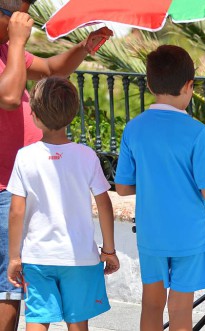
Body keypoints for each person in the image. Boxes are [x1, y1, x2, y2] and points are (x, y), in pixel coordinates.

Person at [0, 1, 113, 329]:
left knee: (19, 289)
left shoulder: (9, 49)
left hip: (22, 185)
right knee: (8, 289)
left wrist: (83, 47)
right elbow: (8, 98)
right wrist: (19, 41)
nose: (22, 19)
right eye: (14, 13)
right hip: (5, 189)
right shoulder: (12, 46)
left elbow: (51, 71)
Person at [114, 45, 205, 331]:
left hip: (151, 231)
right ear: (190, 86)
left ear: (149, 84)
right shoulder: (197, 132)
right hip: (188, 235)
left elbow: (122, 188)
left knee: (151, 302)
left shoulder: (133, 128)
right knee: (180, 307)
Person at [6, 77, 120, 331]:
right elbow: (104, 205)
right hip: (79, 257)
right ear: (72, 115)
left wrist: (14, 256)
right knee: (77, 322)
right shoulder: (87, 156)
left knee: (37, 318)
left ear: (33, 115)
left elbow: (16, 211)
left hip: (37, 256)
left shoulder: (25, 157)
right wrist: (109, 250)